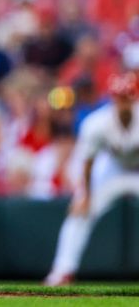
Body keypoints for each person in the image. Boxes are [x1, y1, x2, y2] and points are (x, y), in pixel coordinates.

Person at [44, 72, 139, 286]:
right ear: (112, 98)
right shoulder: (97, 122)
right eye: (119, 97)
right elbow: (88, 163)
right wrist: (85, 195)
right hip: (112, 170)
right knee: (79, 211)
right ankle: (62, 270)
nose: (123, 103)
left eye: (128, 97)